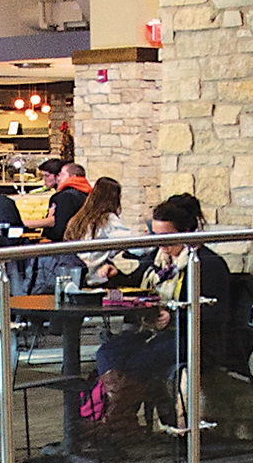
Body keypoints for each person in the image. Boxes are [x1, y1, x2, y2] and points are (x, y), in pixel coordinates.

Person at [91, 193, 230, 435]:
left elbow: (215, 314)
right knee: (108, 352)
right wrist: (114, 275)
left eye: (166, 236)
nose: (160, 242)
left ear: (186, 232)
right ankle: (121, 421)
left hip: (195, 338)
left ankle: (116, 423)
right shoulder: (159, 261)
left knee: (135, 360)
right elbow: (137, 279)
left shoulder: (206, 264)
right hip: (158, 333)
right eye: (156, 235)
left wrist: (174, 317)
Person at [42, 162, 93, 242]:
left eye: (61, 175)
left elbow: (58, 230)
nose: (58, 178)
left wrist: (47, 231)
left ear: (72, 177)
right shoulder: (88, 194)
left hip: (65, 247)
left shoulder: (65, 196)